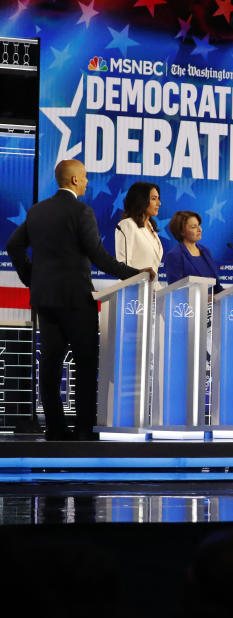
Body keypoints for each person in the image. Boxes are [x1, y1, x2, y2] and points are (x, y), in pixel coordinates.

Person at [6, 159, 153, 440]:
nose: (87, 181)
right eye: (84, 177)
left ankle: (56, 430)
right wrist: (137, 274)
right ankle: (84, 430)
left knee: (50, 364)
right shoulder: (81, 211)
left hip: (44, 299)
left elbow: (14, 245)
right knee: (86, 364)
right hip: (75, 300)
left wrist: (32, 279)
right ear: (74, 180)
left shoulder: (38, 210)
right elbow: (99, 257)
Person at [163, 211, 223, 293]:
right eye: (194, 227)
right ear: (182, 231)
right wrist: (202, 298)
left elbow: (217, 287)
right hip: (189, 305)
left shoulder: (205, 251)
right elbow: (176, 291)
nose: (200, 229)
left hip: (213, 305)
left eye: (199, 225)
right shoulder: (174, 255)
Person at [115, 181, 163, 273]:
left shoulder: (151, 226)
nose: (159, 203)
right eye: (154, 199)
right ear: (141, 201)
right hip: (133, 286)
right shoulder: (127, 225)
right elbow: (124, 265)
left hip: (152, 286)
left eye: (158, 198)